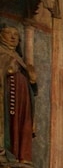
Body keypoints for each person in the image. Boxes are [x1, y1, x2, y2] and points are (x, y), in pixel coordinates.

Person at [0, 27, 35, 161]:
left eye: (16, 35)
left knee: (20, 126)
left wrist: (31, 79)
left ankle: (20, 156)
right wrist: (7, 70)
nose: (13, 37)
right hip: (5, 96)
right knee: (8, 125)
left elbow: (32, 86)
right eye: (9, 33)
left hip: (22, 98)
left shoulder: (18, 57)